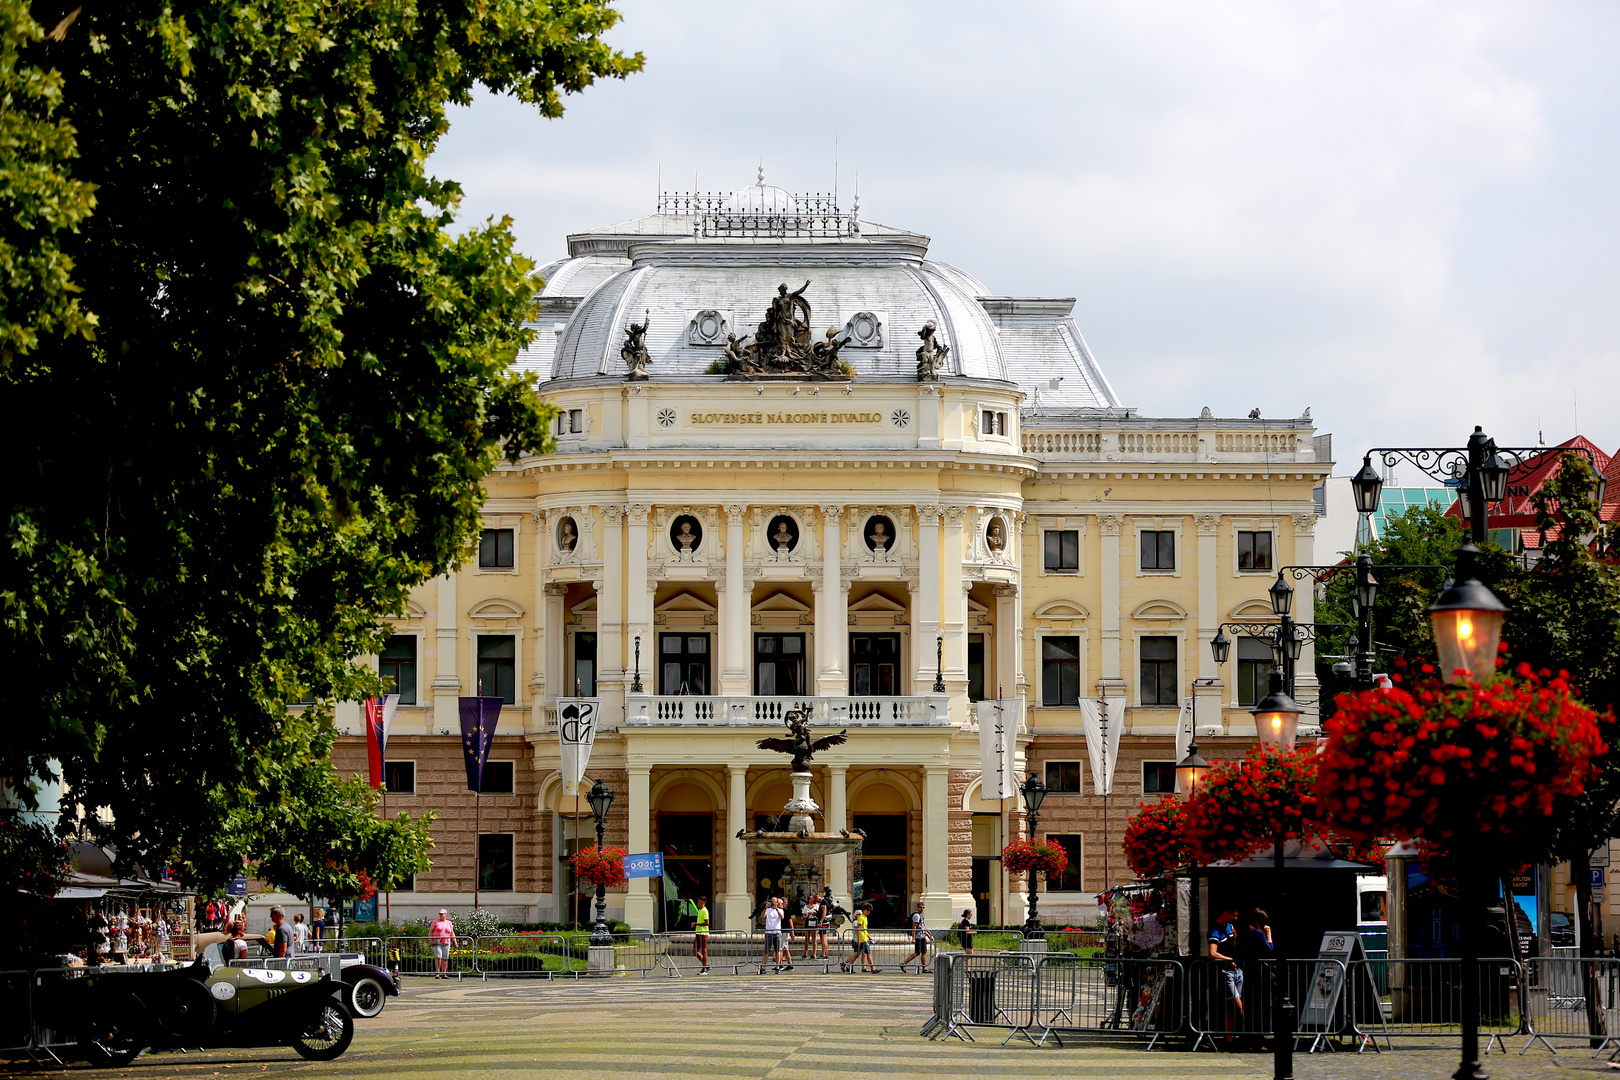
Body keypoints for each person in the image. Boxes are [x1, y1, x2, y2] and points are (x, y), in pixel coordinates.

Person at [1207, 908, 1244, 1040]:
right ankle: (1245, 1035)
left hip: (1236, 970)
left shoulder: (1230, 927)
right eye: (1234, 915)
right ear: (1225, 912)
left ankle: (1229, 1038)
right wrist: (1229, 959)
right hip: (1225, 971)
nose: (1235, 918)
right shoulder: (1214, 931)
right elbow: (1212, 953)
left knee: (1231, 1008)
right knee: (1237, 1005)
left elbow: (1235, 937)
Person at [841, 903, 877, 973]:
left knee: (857, 954)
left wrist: (869, 937)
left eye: (870, 910)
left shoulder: (865, 917)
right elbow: (858, 929)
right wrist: (859, 939)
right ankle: (873, 968)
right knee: (868, 953)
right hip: (862, 939)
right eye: (868, 910)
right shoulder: (861, 918)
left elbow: (864, 929)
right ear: (864, 910)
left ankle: (847, 965)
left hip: (864, 938)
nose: (869, 912)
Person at [761, 896, 793, 974]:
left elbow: (782, 917)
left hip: (777, 932)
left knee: (778, 950)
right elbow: (762, 916)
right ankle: (763, 967)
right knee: (766, 951)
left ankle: (778, 966)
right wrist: (765, 908)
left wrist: (777, 908)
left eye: (774, 902)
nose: (773, 903)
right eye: (772, 901)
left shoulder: (780, 910)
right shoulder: (768, 910)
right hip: (769, 932)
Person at [900, 902, 931, 973]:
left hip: (921, 935)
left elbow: (921, 927)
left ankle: (905, 964)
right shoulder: (917, 916)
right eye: (920, 907)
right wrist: (913, 938)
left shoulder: (919, 916)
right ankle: (924, 968)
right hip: (919, 937)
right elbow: (914, 927)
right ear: (917, 907)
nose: (922, 909)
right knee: (922, 952)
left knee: (919, 953)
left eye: (923, 907)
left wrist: (928, 935)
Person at [429, 908, 456, 979]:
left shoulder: (449, 923)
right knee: (438, 957)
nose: (441, 915)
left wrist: (455, 941)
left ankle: (444, 973)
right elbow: (431, 931)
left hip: (446, 942)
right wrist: (430, 941)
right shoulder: (435, 922)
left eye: (442, 914)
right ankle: (437, 973)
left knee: (445, 958)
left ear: (445, 915)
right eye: (440, 914)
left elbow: (452, 933)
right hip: (437, 942)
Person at [692, 897, 710, 974]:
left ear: (703, 902)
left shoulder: (705, 911)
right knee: (694, 950)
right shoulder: (700, 910)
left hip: (703, 933)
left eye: (699, 901)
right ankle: (705, 964)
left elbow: (707, 923)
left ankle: (704, 968)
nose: (697, 903)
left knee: (703, 950)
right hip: (698, 932)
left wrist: (697, 924)